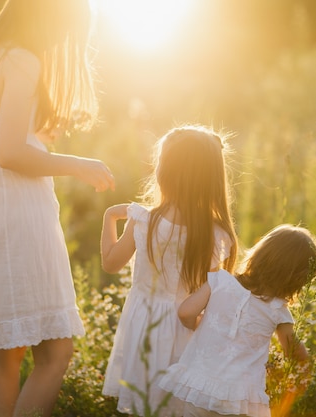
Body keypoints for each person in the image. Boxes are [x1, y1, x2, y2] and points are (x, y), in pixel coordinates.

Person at [0, 1, 114, 416]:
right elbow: (7, 153)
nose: (62, 41)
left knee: (5, 357)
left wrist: (33, 135)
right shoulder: (22, 58)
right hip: (14, 219)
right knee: (56, 354)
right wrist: (78, 165)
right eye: (66, 30)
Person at [100, 125, 238, 416]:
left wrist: (110, 216)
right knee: (178, 406)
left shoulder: (144, 220)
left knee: (147, 403)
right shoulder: (214, 233)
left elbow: (110, 264)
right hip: (185, 328)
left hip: (144, 326)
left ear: (165, 172)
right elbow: (210, 293)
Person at [158, 224, 316, 417]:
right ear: (296, 279)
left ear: (259, 255)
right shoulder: (277, 310)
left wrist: (199, 324)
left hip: (200, 386)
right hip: (241, 400)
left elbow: (185, 313)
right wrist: (302, 372)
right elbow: (294, 352)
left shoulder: (219, 281)